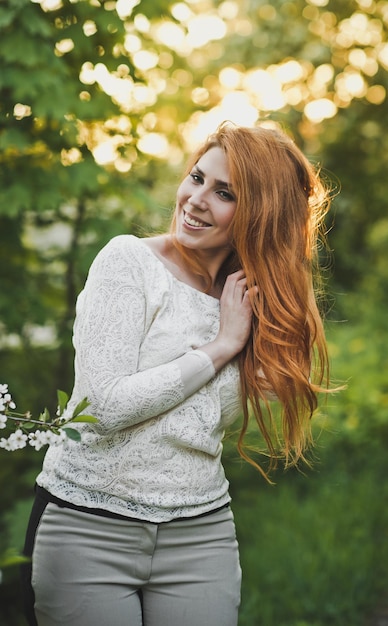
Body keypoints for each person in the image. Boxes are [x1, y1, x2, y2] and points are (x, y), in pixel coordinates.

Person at [21, 122, 331, 626]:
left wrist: (259, 330)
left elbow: (222, 411)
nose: (195, 199)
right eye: (196, 177)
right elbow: (102, 408)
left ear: (260, 215)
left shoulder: (248, 299)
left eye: (224, 193)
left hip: (201, 532)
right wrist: (221, 346)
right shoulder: (128, 263)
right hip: (89, 528)